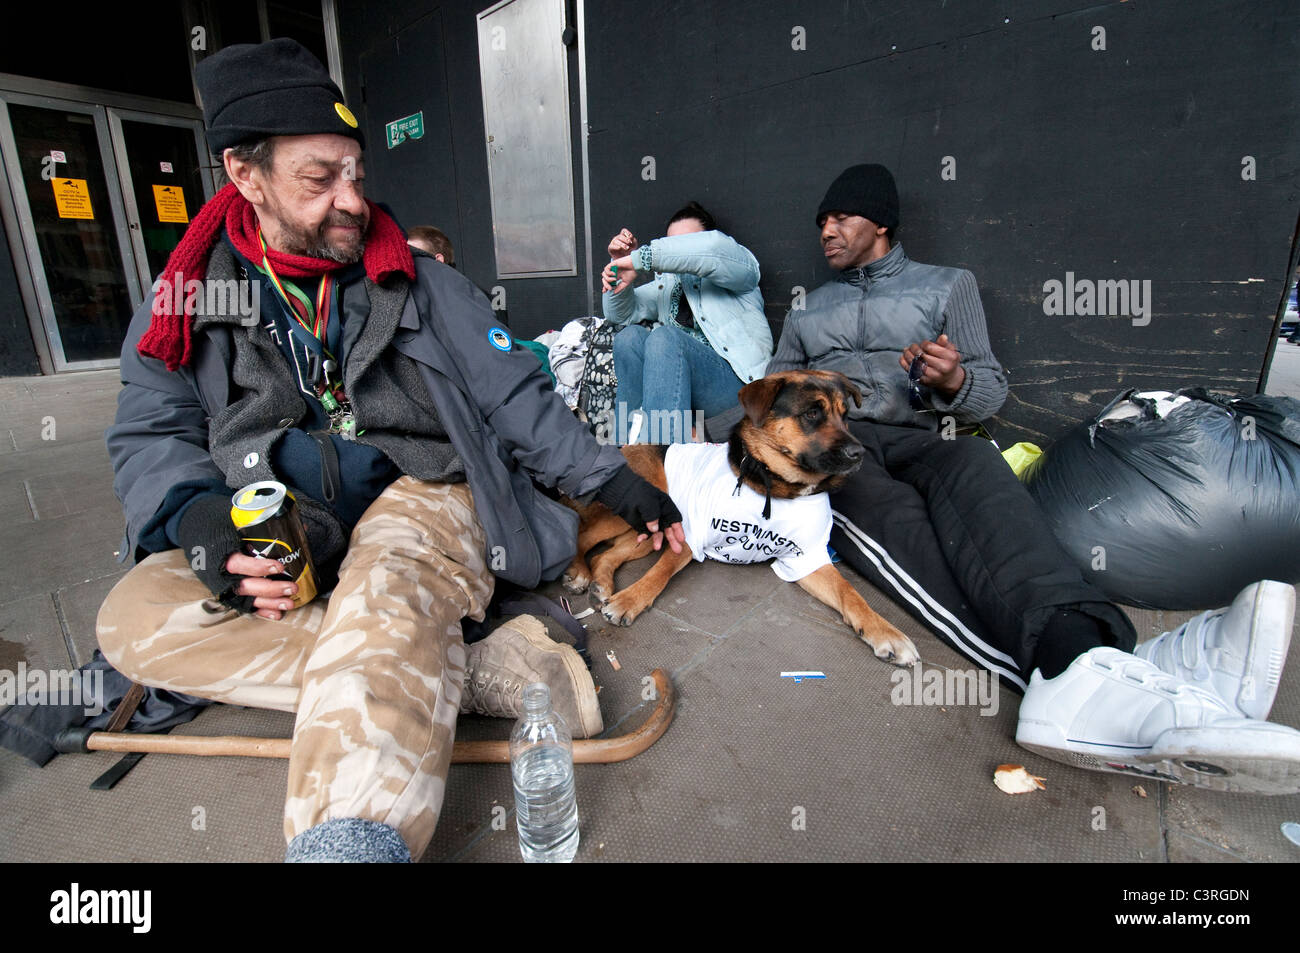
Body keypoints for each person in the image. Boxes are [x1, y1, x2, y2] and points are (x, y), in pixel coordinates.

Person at [95, 39, 684, 863]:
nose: (351, 201)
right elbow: (153, 426)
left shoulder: (419, 279)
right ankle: (463, 667)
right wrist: (194, 516)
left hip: (426, 489)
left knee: (391, 574)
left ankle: (352, 839)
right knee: (134, 617)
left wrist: (610, 480)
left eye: (357, 174)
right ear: (244, 173)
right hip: (278, 507)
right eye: (319, 178)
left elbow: (512, 391)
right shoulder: (188, 296)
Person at [767, 162, 1300, 791]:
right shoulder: (809, 308)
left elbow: (988, 392)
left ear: (881, 221)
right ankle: (1103, 662)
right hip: (840, 448)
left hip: (926, 434)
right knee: (902, 528)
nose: (826, 230)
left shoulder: (946, 286)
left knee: (981, 476)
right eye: (821, 222)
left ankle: (1106, 670)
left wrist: (952, 381)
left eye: (841, 217)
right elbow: (772, 391)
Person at [601, 202, 772, 443]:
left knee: (665, 337)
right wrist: (620, 272)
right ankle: (621, 448)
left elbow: (712, 250)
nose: (679, 251)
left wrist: (642, 258)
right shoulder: (666, 286)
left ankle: (659, 455)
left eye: (686, 242)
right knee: (629, 338)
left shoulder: (741, 270)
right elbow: (620, 315)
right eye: (673, 243)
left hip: (739, 395)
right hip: (681, 398)